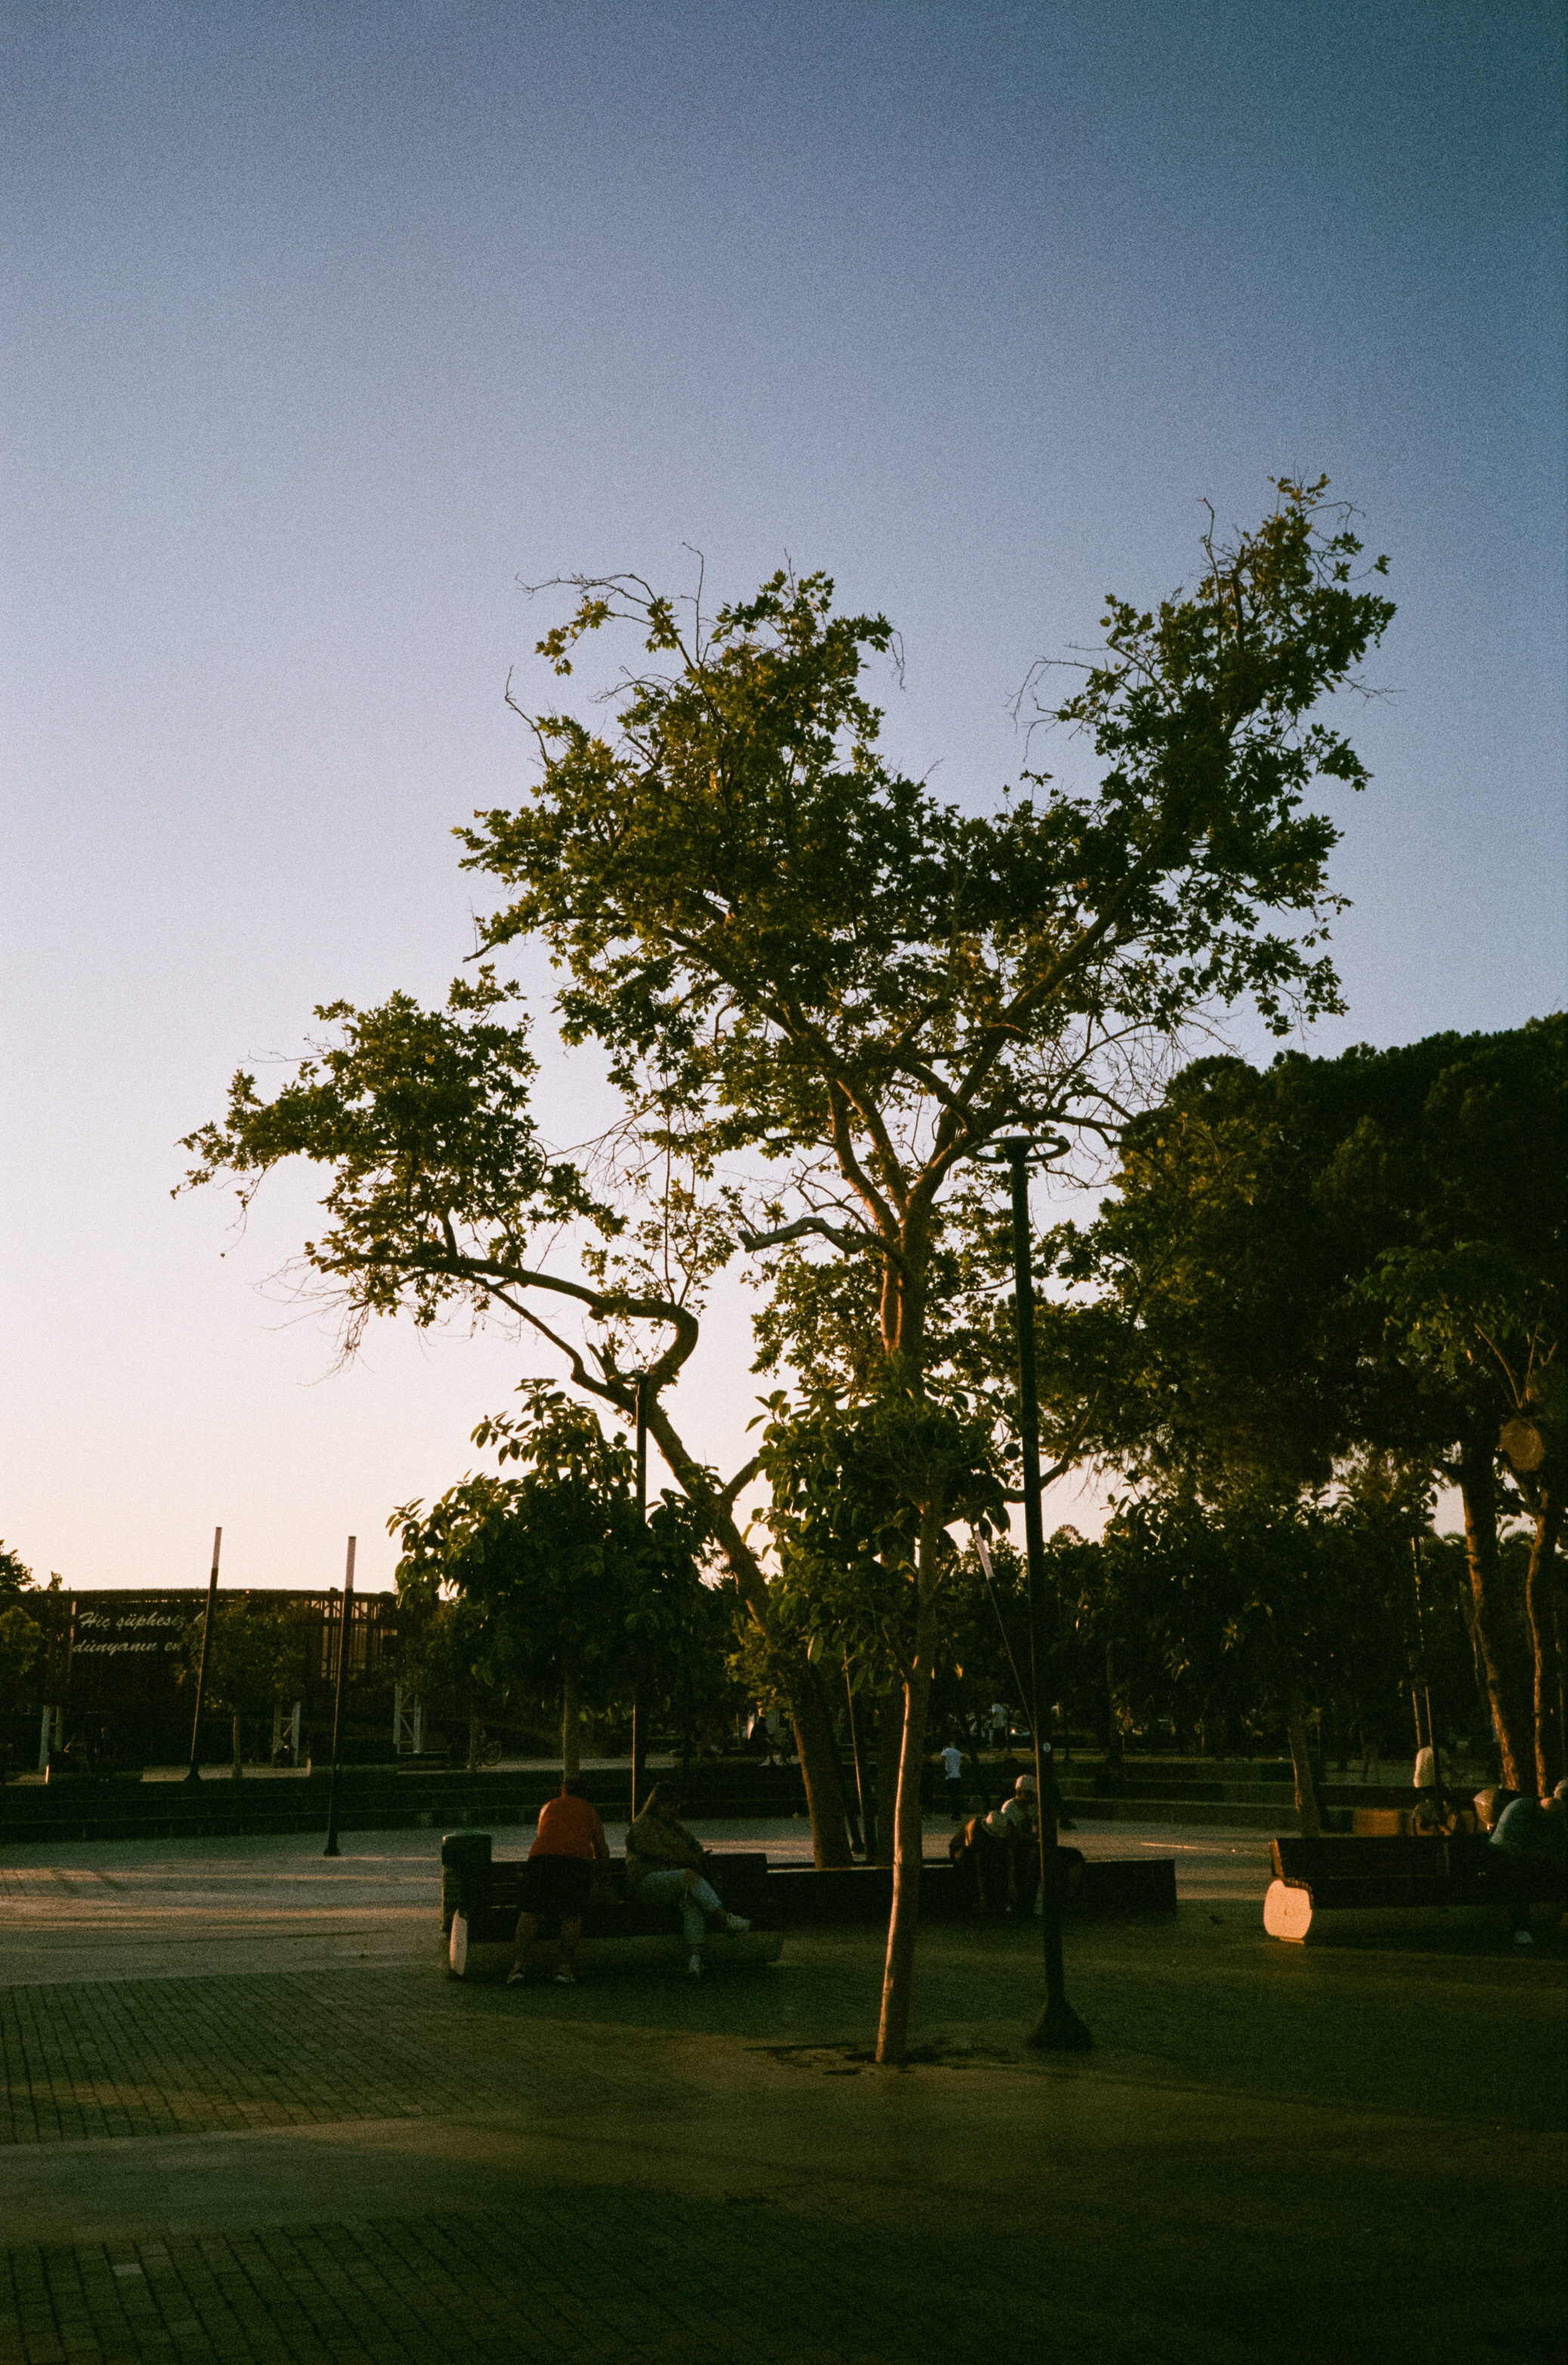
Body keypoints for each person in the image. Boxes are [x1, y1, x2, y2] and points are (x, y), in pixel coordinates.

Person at [624, 1784, 750, 1974]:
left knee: (691, 1901)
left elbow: (694, 1845)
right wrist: (687, 1857)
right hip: (646, 1882)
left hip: (670, 1882)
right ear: (657, 1805)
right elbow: (655, 1852)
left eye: (676, 1806)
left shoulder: (675, 1828)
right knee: (687, 1877)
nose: (674, 1811)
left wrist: (695, 1855)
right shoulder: (642, 1824)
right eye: (670, 1805)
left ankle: (694, 1959)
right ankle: (725, 1917)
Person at [509, 1776, 611, 1987]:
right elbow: (600, 1847)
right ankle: (564, 1969)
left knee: (530, 1912)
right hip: (575, 1863)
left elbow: (544, 1834)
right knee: (571, 1916)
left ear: (563, 1791)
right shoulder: (589, 1810)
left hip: (541, 1859)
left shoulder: (548, 1807)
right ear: (586, 1793)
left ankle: (518, 1967)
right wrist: (604, 1873)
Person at [1487, 1782, 1568, 1944]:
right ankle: (1520, 1928)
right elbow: (1508, 1846)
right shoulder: (1518, 1808)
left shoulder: (1554, 1818)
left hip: (1528, 1857)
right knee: (1519, 1877)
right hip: (1501, 1856)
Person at [939, 1741, 964, 1819]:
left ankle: (955, 1813)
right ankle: (958, 1813)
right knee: (956, 1795)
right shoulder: (957, 1752)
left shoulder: (945, 1751)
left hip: (950, 1776)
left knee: (952, 1796)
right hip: (957, 1775)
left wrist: (944, 1771)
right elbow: (965, 1759)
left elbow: (943, 1760)